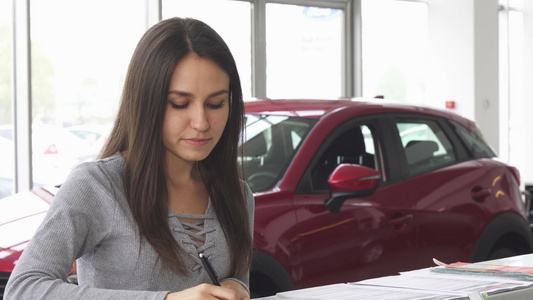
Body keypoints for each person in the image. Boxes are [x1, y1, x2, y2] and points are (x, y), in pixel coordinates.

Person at [5, 17, 254, 300]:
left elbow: (237, 279)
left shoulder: (238, 194)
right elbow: (23, 289)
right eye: (179, 104)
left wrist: (237, 286)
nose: (201, 122)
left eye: (216, 104)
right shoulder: (97, 186)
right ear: (147, 102)